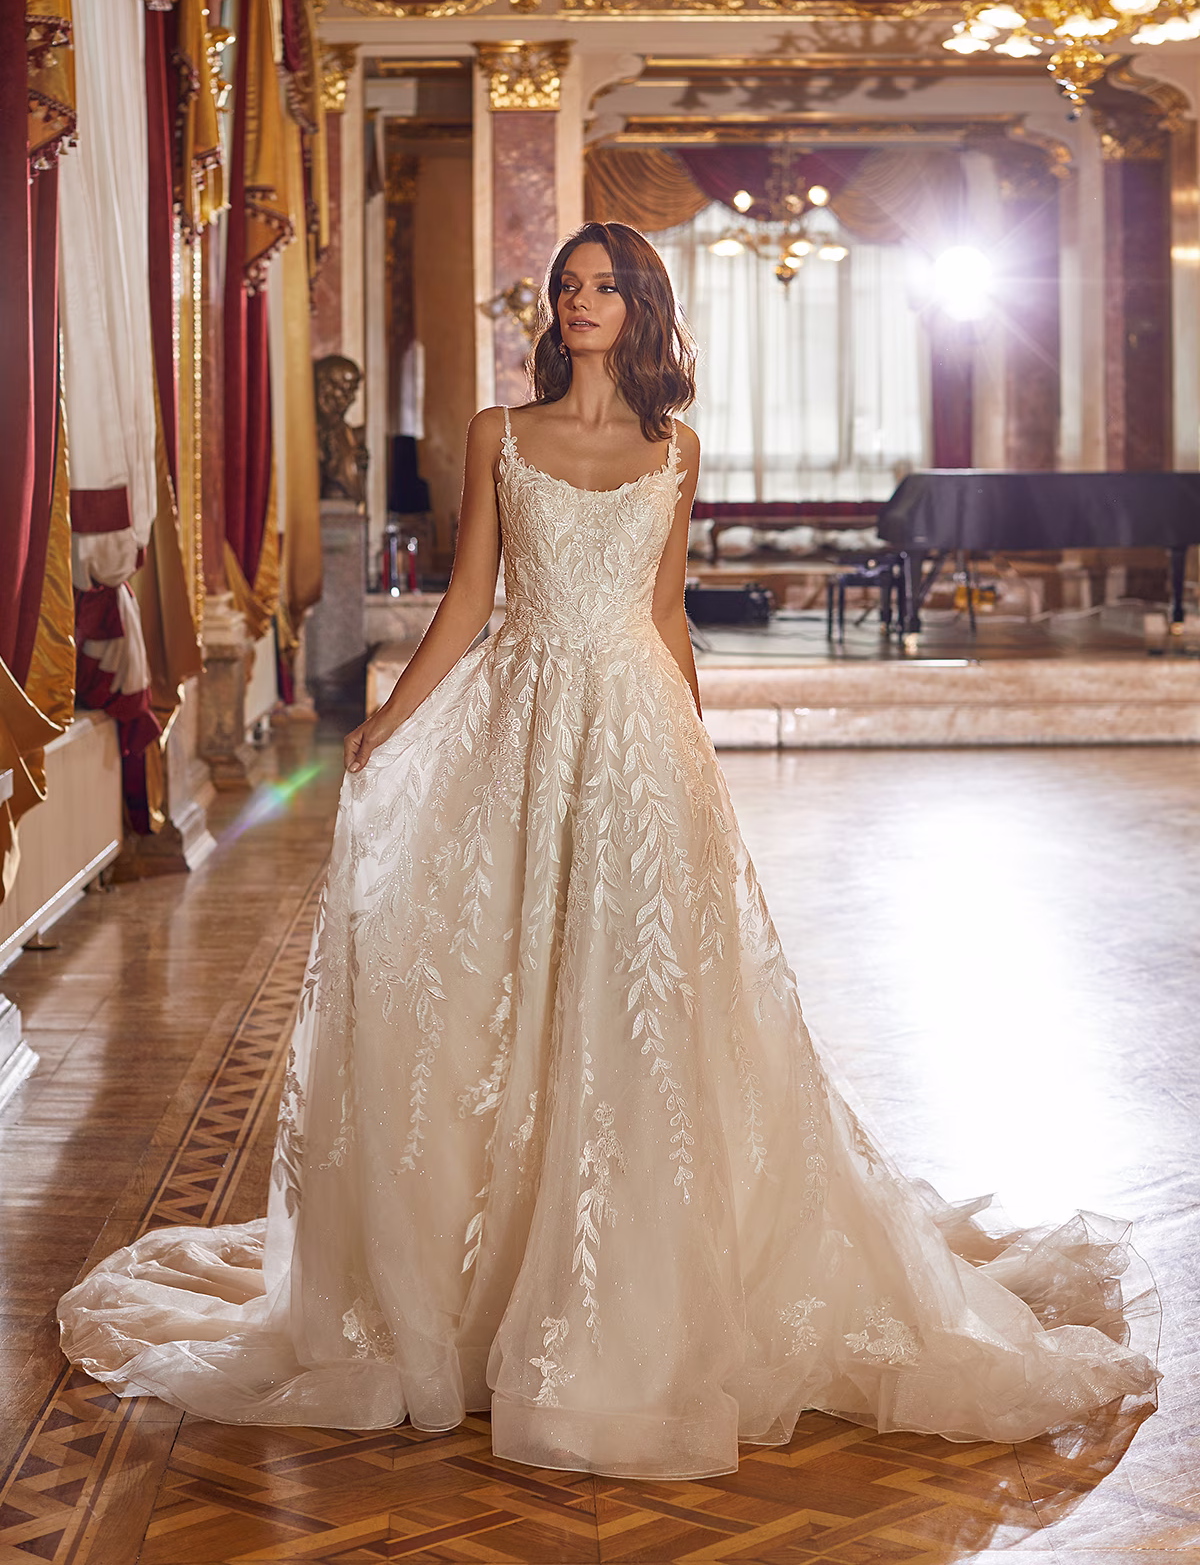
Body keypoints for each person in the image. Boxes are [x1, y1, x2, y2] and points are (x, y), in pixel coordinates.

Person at [59, 222, 1158, 1481]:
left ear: (642, 307)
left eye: (603, 288)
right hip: (522, 724)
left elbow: (665, 610)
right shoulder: (498, 432)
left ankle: (627, 1283)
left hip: (637, 734)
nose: (580, 303)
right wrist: (389, 720)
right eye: (566, 287)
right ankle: (487, 1283)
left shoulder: (675, 448)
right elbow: (470, 599)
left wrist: (696, 754)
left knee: (635, 998)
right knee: (505, 982)